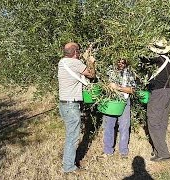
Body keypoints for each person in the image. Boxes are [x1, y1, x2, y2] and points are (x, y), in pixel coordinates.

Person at [58, 42, 96, 173]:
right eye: (78, 50)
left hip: (63, 104)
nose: (79, 52)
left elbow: (77, 64)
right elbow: (91, 74)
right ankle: (68, 167)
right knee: (72, 136)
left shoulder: (62, 62)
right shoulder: (75, 63)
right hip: (71, 105)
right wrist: (91, 62)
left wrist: (87, 52)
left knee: (70, 135)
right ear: (75, 52)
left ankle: (67, 161)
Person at [143, 38, 170, 162]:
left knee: (153, 122)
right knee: (162, 122)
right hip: (168, 92)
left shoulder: (156, 60)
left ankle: (163, 153)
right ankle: (158, 150)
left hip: (158, 94)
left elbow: (142, 59)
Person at [102, 59, 136, 158]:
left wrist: (118, 88)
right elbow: (103, 83)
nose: (120, 64)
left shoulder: (129, 72)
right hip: (111, 101)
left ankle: (123, 152)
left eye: (123, 62)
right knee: (109, 126)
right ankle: (108, 151)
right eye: (119, 62)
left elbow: (132, 90)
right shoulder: (110, 70)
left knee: (124, 126)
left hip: (124, 102)